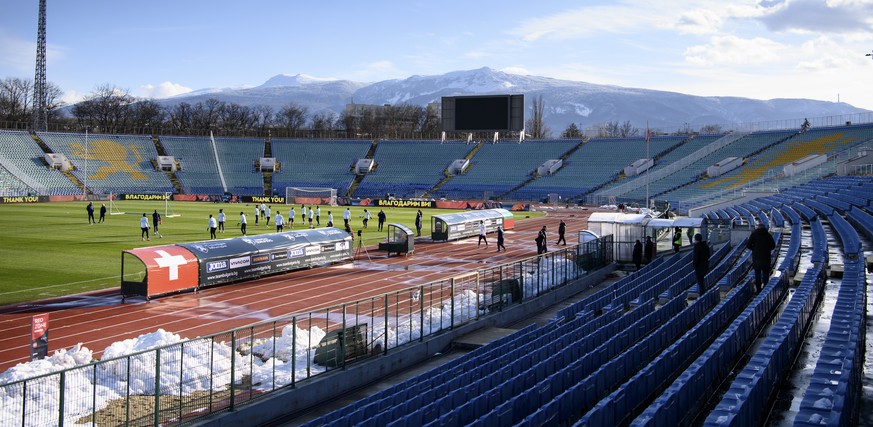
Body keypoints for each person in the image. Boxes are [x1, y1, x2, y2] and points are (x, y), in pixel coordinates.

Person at [747, 223, 776, 292]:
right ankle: (765, 289)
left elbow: (748, 245)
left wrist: (754, 249)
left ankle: (758, 289)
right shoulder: (768, 235)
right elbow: (773, 246)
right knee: (766, 273)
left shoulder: (754, 235)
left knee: (757, 274)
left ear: (758, 228)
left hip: (756, 257)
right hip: (766, 257)